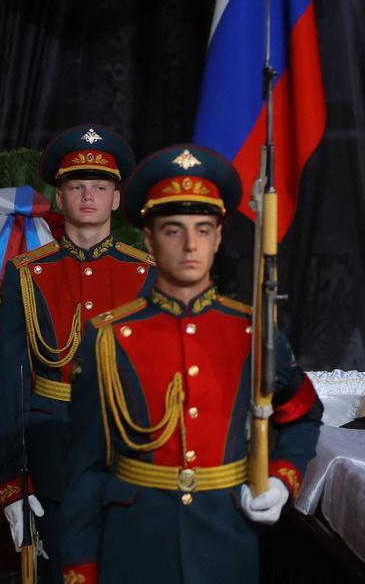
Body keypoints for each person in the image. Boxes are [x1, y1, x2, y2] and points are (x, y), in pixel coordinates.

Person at [59, 144, 323, 583]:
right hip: (136, 542)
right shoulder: (109, 337)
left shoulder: (250, 333)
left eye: (202, 230)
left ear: (219, 238)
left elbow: (302, 414)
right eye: (172, 230)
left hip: (227, 538)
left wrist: (281, 479)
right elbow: (86, 470)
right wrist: (80, 570)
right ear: (148, 238)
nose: (189, 245)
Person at [0, 124, 155, 580]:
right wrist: (12, 485)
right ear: (59, 199)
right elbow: (12, 387)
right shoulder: (26, 275)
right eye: (76, 186)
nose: (88, 196)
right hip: (53, 462)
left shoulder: (147, 275)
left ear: (116, 199)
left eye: (100, 187)